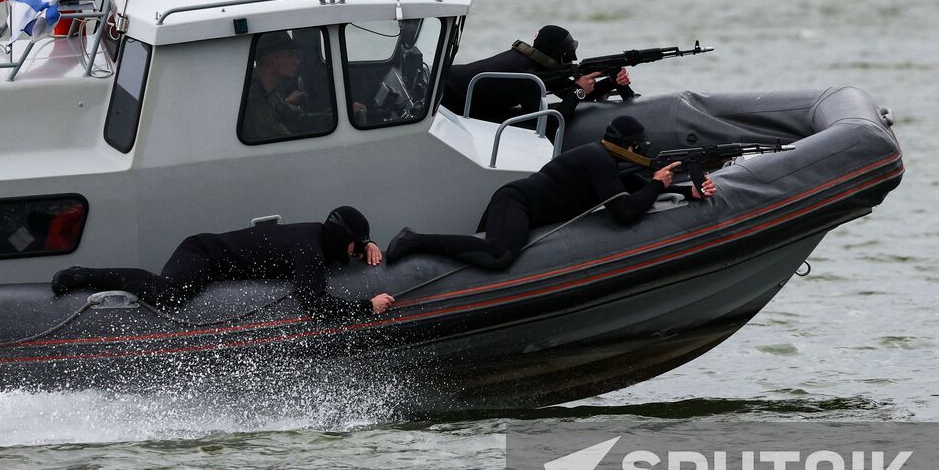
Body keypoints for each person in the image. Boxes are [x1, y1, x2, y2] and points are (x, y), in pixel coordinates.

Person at [385, 116, 715, 270]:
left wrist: (689, 193)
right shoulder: (597, 158)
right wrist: (658, 182)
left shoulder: (607, 164)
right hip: (516, 201)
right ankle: (414, 239)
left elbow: (638, 193)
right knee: (498, 255)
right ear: (631, 147)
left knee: (485, 254)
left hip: (521, 205)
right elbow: (625, 212)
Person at [52, 206, 396, 316]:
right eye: (355, 245)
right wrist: (367, 307)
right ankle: (84, 275)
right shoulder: (308, 250)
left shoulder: (317, 236)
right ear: (341, 240)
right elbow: (315, 304)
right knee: (170, 295)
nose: (355, 252)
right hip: (203, 254)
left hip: (210, 254)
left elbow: (338, 252)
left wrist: (369, 244)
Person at [440, 25, 632, 124]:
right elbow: (548, 123)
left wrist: (611, 81)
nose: (572, 59)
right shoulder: (527, 76)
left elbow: (568, 93)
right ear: (559, 54)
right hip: (445, 98)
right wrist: (578, 91)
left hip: (447, 80)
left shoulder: (535, 62)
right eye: (568, 54)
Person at [240, 32, 334, 141]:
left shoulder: (269, 93)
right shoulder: (254, 102)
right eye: (290, 56)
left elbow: (298, 119)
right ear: (271, 62)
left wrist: (336, 116)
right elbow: (286, 143)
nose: (297, 61)